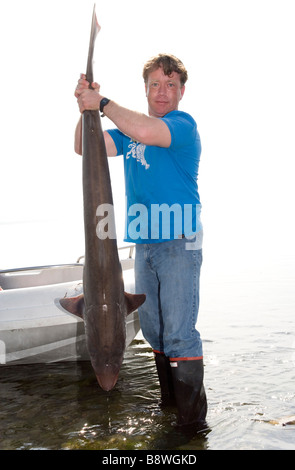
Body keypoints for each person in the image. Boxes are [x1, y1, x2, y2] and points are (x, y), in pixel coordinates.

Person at [74, 54, 207, 430]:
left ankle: (193, 428)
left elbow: (147, 131)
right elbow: (87, 146)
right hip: (144, 245)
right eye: (154, 84)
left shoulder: (182, 126)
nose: (161, 92)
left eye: (169, 85)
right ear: (145, 89)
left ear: (181, 90)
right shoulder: (128, 131)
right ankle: (170, 411)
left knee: (179, 333)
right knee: (156, 333)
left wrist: (102, 104)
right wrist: (84, 104)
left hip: (179, 243)